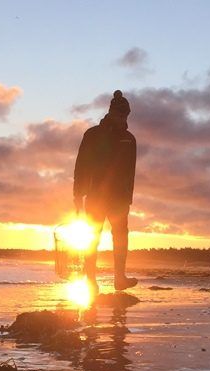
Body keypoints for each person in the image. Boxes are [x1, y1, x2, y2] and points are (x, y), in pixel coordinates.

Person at [73, 90, 138, 292]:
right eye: (119, 115)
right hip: (95, 196)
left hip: (119, 198)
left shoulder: (129, 139)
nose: (122, 119)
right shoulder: (92, 134)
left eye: (125, 116)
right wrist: (77, 194)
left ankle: (120, 278)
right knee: (93, 237)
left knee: (120, 236)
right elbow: (81, 165)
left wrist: (128, 196)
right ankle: (91, 280)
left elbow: (131, 171)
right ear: (110, 112)